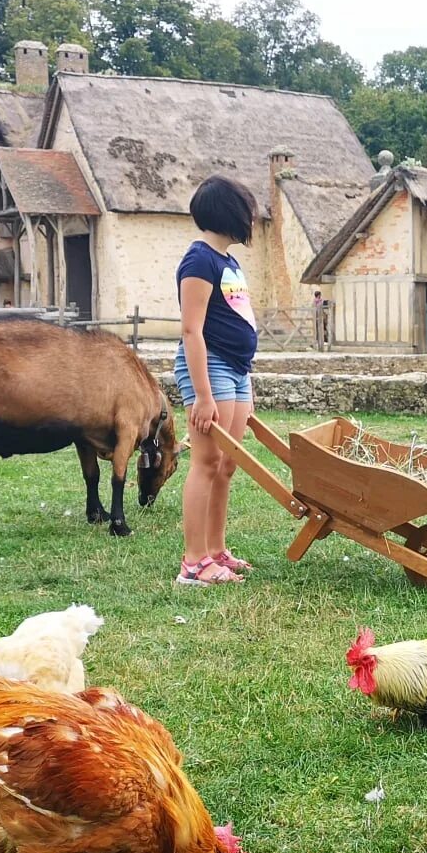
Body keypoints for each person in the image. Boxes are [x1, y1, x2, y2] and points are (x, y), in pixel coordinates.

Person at [174, 175, 259, 586]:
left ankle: (215, 551)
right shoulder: (199, 260)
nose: (252, 218)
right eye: (246, 210)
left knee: (227, 464)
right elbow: (192, 331)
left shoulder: (228, 262)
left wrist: (248, 384)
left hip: (236, 371)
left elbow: (239, 320)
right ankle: (193, 564)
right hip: (211, 368)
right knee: (206, 462)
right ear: (229, 212)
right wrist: (203, 395)